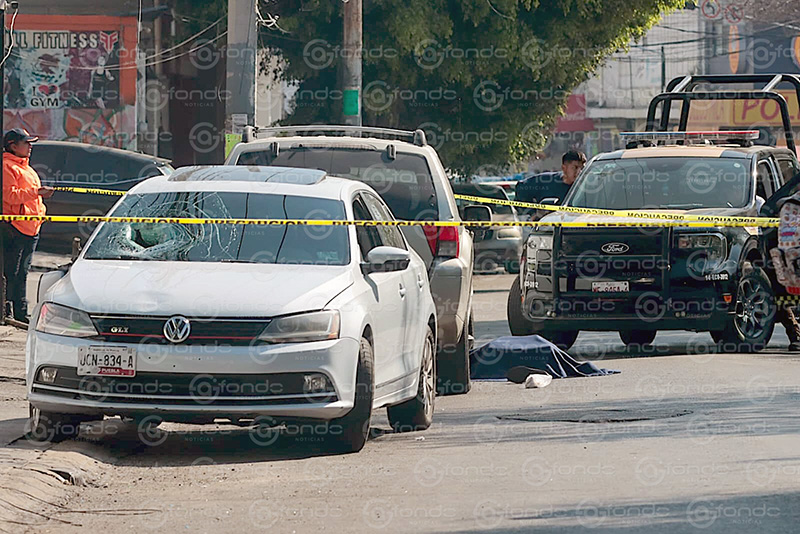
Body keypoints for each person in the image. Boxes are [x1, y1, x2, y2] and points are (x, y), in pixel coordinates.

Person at [1, 128, 53, 323]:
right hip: (14, 228)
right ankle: (10, 312)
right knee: (12, 273)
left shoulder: (26, 168)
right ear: (13, 146)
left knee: (22, 272)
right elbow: (10, 196)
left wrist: (41, 212)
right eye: (26, 142)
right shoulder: (7, 166)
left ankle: (20, 313)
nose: (30, 146)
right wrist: (37, 192)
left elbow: (32, 198)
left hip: (31, 227)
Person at [515, 150, 587, 218]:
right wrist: (532, 213)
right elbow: (521, 188)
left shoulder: (586, 188)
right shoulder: (547, 181)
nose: (579, 172)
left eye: (582, 168)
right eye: (575, 168)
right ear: (564, 168)